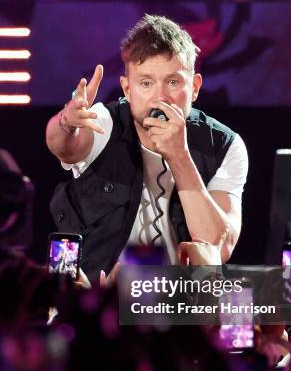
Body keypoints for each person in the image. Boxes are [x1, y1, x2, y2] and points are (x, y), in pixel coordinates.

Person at [46, 15, 248, 282]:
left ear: (195, 87)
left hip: (180, 305)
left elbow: (218, 247)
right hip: (98, 297)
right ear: (127, 89)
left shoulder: (224, 145)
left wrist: (179, 156)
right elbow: (62, 146)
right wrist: (67, 121)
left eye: (173, 82)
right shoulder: (105, 123)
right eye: (146, 83)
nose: (160, 97)